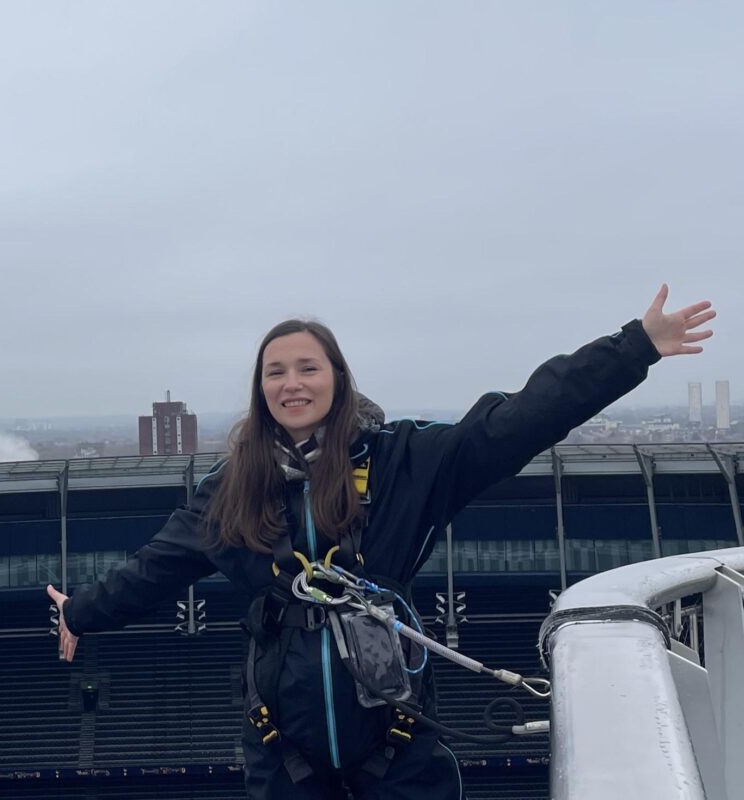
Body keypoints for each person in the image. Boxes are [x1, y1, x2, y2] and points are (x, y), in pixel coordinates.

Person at [48, 284, 714, 800]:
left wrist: (633, 348)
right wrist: (80, 612)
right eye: (276, 372)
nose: (292, 384)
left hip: (396, 745)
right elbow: (155, 568)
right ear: (261, 389)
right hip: (285, 757)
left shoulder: (402, 461)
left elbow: (514, 423)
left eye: (307, 368)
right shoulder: (232, 490)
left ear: (337, 377)